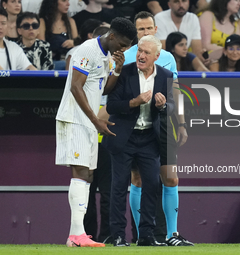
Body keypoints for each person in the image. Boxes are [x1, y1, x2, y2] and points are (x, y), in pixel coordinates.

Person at [55, 17, 136, 248]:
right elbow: (75, 86)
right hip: (75, 118)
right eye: (122, 43)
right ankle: (76, 235)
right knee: (81, 172)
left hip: (89, 122)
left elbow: (104, 88)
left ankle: (77, 234)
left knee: (87, 175)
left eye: (128, 45)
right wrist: (95, 120)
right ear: (112, 36)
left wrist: (117, 70)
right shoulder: (87, 50)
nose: (124, 49)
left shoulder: (107, 56)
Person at [123, 11, 193, 246]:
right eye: (140, 29)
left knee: (171, 178)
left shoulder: (167, 57)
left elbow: (175, 91)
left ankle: (172, 235)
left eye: (148, 28)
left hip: (163, 125)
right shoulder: (126, 57)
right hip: (136, 127)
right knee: (138, 180)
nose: (145, 32)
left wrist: (181, 123)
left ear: (155, 29)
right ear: (135, 32)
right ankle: (144, 235)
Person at [102, 35, 174, 247]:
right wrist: (135, 102)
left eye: (146, 53)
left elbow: (171, 110)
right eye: (140, 50)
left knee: (152, 185)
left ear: (157, 57)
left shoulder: (166, 76)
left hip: (149, 140)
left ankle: (146, 236)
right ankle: (117, 235)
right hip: (124, 137)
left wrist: (162, 107)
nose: (141, 55)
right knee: (118, 187)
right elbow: (111, 106)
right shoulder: (123, 72)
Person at [38, 0, 78, 70]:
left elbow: (78, 45)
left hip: (68, 59)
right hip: (51, 61)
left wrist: (73, 43)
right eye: (64, 1)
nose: (68, 4)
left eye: (68, 1)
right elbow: (42, 47)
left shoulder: (70, 22)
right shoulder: (42, 21)